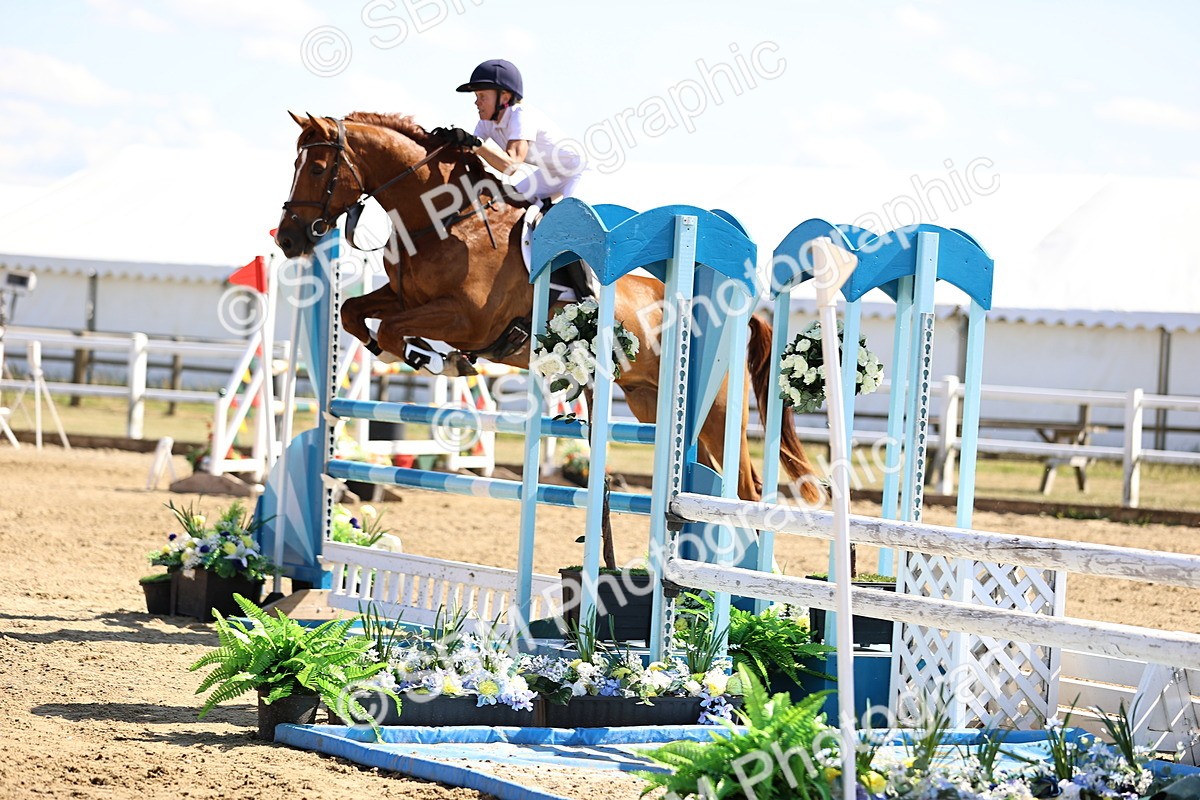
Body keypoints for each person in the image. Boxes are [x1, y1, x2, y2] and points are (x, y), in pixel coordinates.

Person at [455, 59, 589, 205]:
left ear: (504, 97)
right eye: (476, 96)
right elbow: (470, 153)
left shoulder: (522, 115)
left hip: (578, 171)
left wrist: (476, 144)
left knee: (570, 214)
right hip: (549, 173)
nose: (477, 102)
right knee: (509, 203)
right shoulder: (485, 123)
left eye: (482, 96)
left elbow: (510, 166)